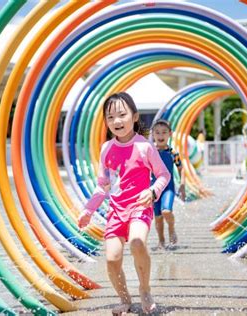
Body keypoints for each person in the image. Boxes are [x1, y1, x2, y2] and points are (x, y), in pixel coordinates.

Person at [78, 92, 170, 315]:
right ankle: (124, 298)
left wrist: (152, 191)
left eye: (122, 115)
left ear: (135, 117)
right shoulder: (106, 149)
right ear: (106, 122)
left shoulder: (144, 146)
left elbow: (163, 175)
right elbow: (103, 185)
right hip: (116, 212)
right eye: (110, 117)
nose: (116, 121)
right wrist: (88, 210)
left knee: (137, 242)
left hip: (140, 207)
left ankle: (145, 290)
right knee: (112, 258)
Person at [151, 119, 186, 249]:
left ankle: (171, 228)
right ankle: (161, 241)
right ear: (153, 134)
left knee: (166, 211)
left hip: (168, 188)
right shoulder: (150, 152)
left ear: (169, 134)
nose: (161, 136)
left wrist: (182, 185)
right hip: (154, 188)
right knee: (158, 217)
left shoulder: (172, 153)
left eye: (164, 132)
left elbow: (181, 169)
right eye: (157, 132)